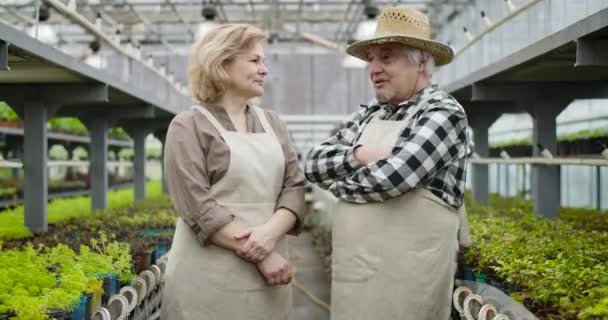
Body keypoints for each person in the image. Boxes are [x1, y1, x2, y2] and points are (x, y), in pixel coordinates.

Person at [305, 5, 471, 320]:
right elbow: (312, 164)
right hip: (356, 275)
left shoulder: (443, 112)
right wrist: (358, 155)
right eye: (371, 59)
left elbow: (392, 177)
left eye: (387, 57)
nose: (374, 69)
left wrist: (338, 183)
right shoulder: (370, 114)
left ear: (421, 61)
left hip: (408, 278)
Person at [161, 24, 306, 320]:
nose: (264, 70)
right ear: (222, 65)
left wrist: (268, 235)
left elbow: (294, 188)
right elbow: (197, 206)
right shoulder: (188, 126)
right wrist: (263, 253)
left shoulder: (274, 123)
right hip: (208, 278)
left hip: (270, 280)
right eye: (254, 61)